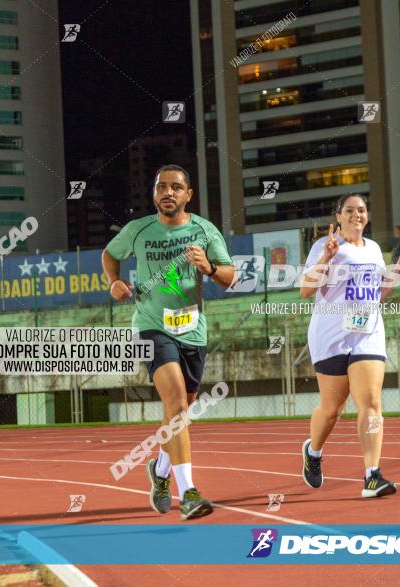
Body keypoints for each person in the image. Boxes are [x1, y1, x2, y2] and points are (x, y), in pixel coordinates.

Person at [102, 164, 236, 520]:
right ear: (154, 194)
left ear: (188, 195)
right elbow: (110, 254)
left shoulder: (205, 230)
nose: (168, 192)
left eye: (176, 187)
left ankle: (160, 471)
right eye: (161, 186)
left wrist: (207, 267)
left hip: (193, 330)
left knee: (181, 413)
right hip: (151, 327)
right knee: (176, 405)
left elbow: (231, 276)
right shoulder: (139, 230)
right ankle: (188, 493)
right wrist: (114, 281)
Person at [299, 194, 400, 498]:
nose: (356, 215)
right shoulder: (323, 247)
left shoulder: (375, 249)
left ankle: (371, 475)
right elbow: (306, 289)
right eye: (349, 210)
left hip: (367, 334)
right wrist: (326, 258)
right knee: (331, 410)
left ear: (367, 215)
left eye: (361, 210)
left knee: (371, 402)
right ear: (338, 216)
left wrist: (395, 277)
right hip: (330, 335)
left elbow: (375, 295)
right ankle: (314, 451)